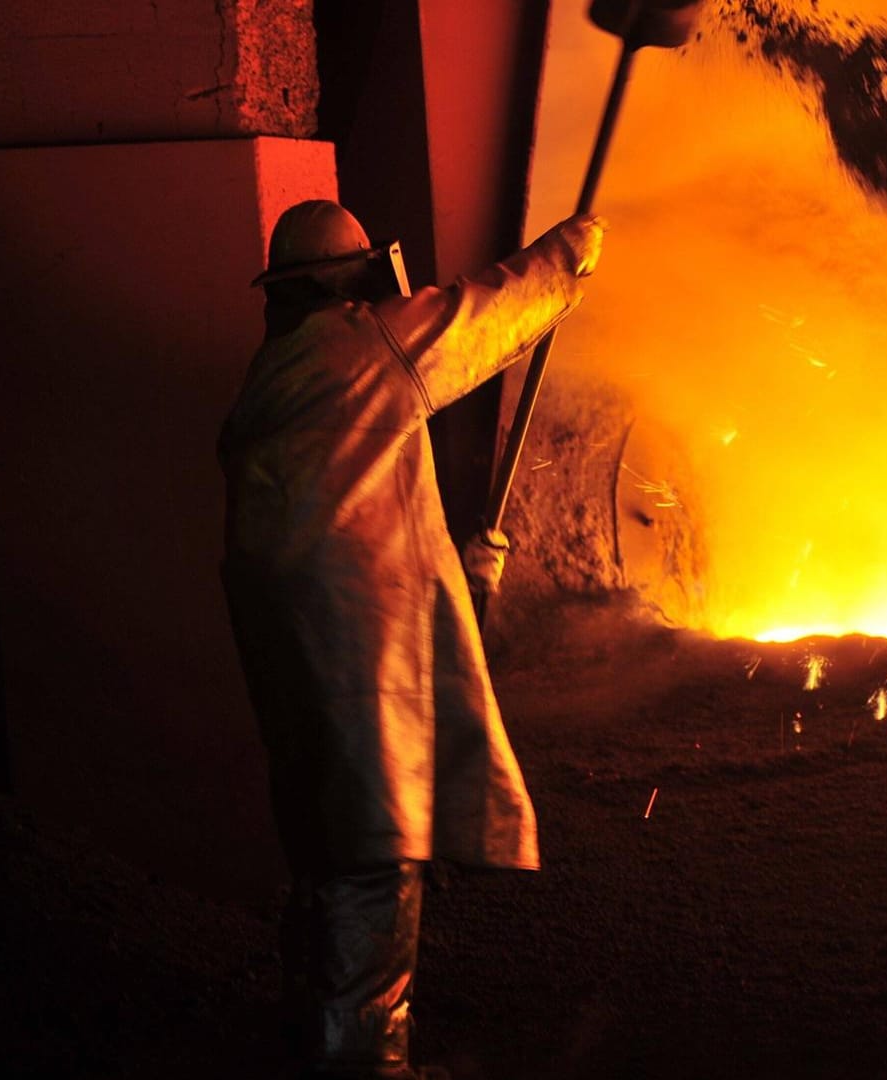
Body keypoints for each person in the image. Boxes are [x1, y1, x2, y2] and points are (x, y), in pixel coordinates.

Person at [217, 199, 605, 1079]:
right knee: (370, 867)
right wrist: (568, 255)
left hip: (299, 679)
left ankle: (309, 1045)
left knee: (326, 868)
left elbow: (353, 535)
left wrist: (460, 571)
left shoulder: (271, 383)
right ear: (351, 279)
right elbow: (485, 315)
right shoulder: (362, 349)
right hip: (360, 684)